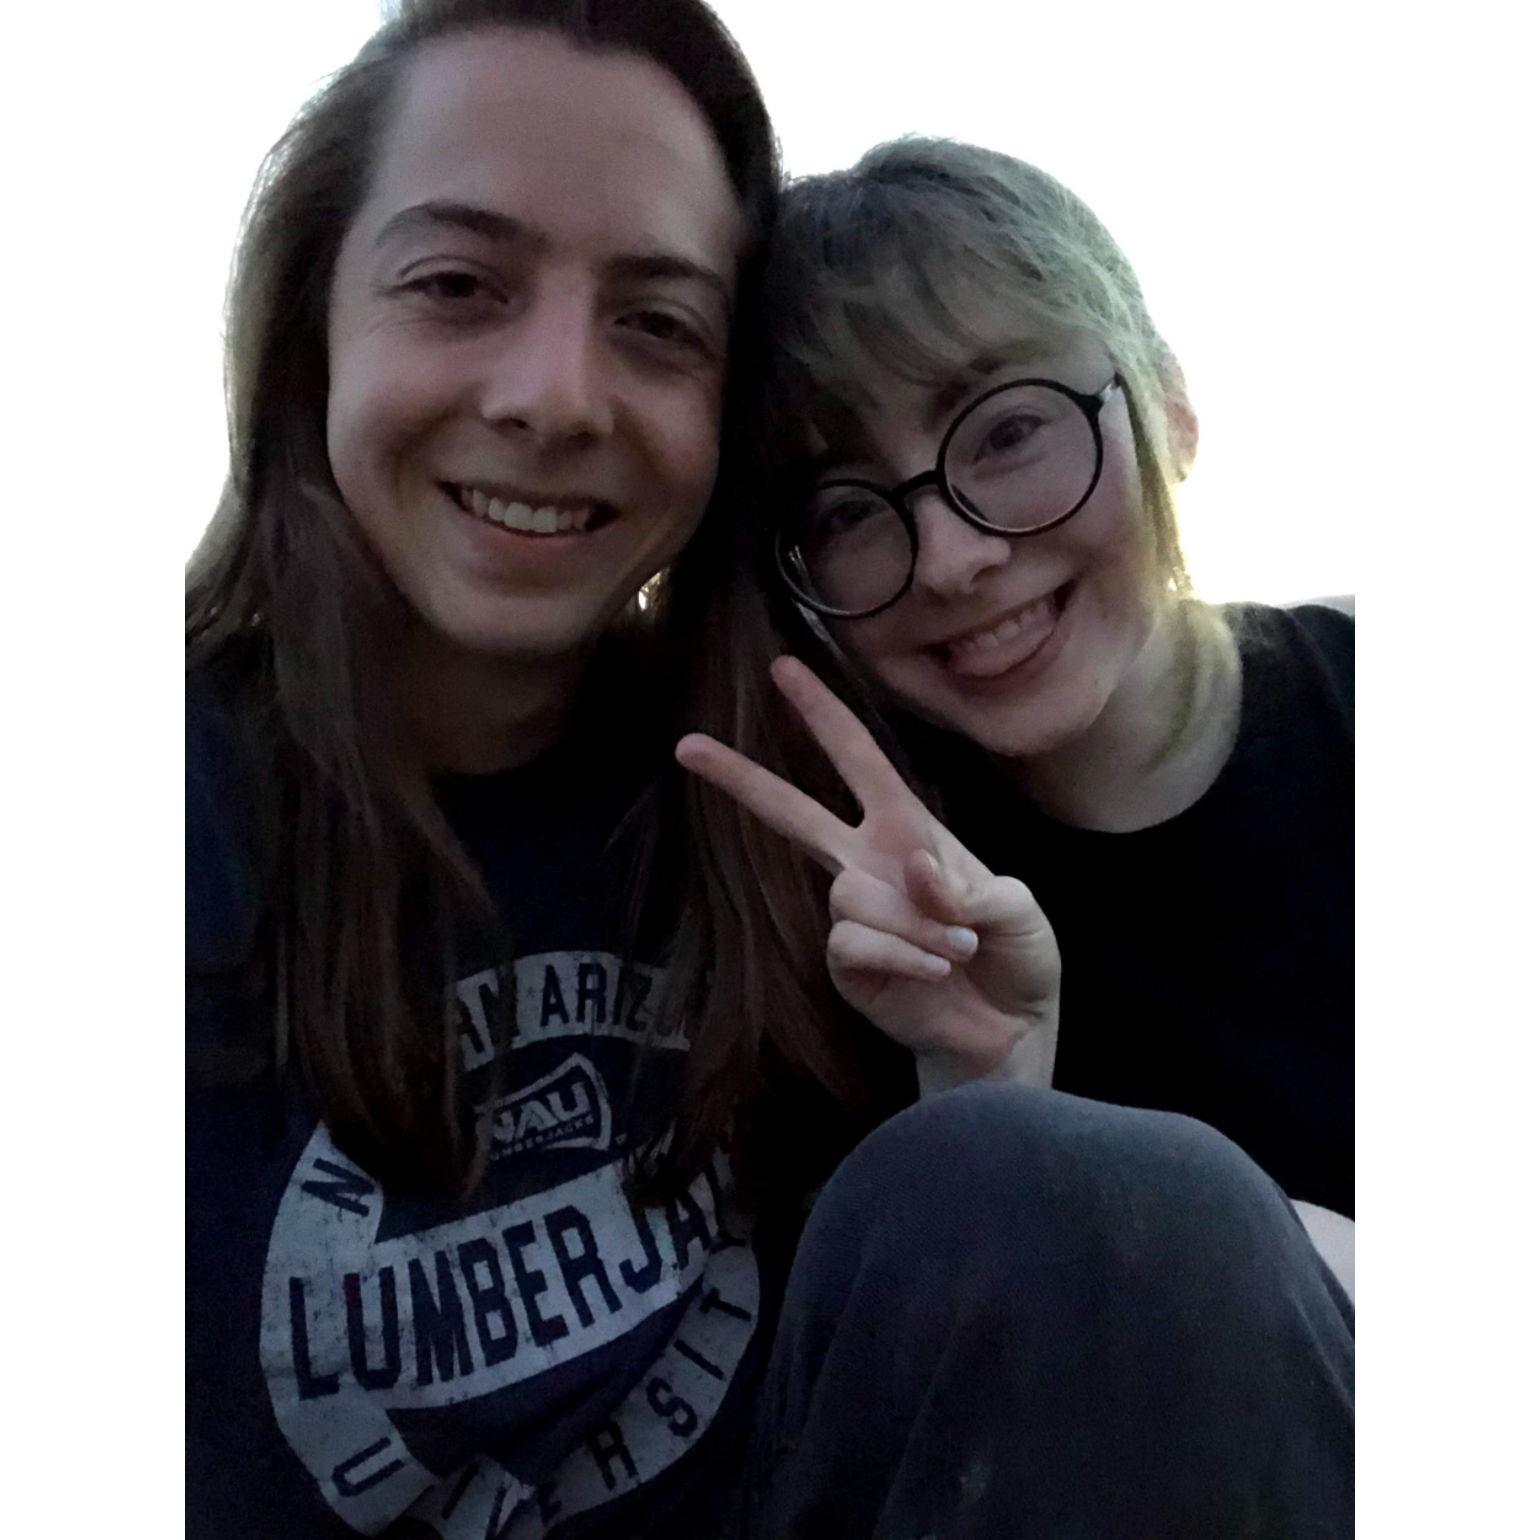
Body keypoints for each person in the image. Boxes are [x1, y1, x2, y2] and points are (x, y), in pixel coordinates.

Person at [187, 4, 1352, 1533]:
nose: (556, 396)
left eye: (658, 322)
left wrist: (993, 1115)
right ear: (308, 331)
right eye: (459, 284)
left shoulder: (804, 846)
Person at [695, 136, 1354, 1261]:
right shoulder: (865, 934)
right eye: (847, 509)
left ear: (1168, 405)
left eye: (1007, 431)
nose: (953, 559)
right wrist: (981, 1104)